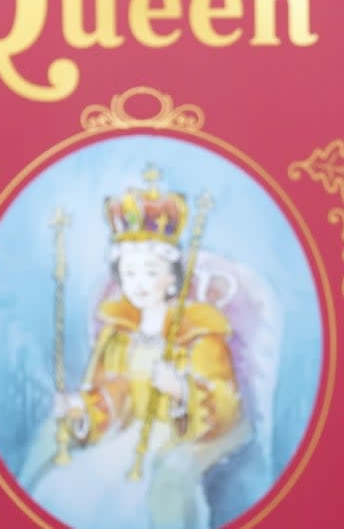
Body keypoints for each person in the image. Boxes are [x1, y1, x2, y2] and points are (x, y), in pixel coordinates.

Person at [27, 168, 253, 529]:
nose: (139, 283)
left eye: (150, 271)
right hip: (125, 437)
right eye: (129, 273)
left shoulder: (198, 331)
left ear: (170, 277)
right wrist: (81, 406)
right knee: (64, 488)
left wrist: (181, 390)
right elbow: (109, 392)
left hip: (171, 438)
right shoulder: (117, 332)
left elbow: (225, 404)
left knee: (142, 500)